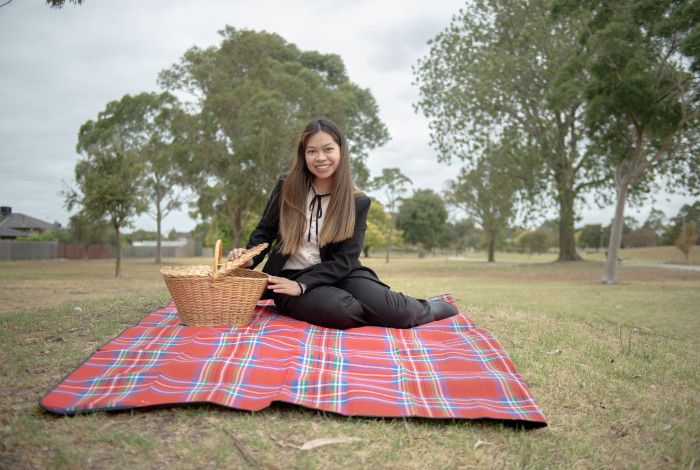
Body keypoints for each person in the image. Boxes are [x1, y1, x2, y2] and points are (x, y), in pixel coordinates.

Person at [228, 117, 457, 329]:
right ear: (303, 155)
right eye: (312, 151)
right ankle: (377, 311)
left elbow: (345, 259)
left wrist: (305, 285)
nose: (320, 158)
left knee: (402, 315)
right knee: (343, 310)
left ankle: (428, 306)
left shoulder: (357, 201)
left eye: (328, 149)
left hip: (341, 273)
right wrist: (249, 258)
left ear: (341, 151)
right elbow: (264, 232)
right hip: (289, 279)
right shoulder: (286, 186)